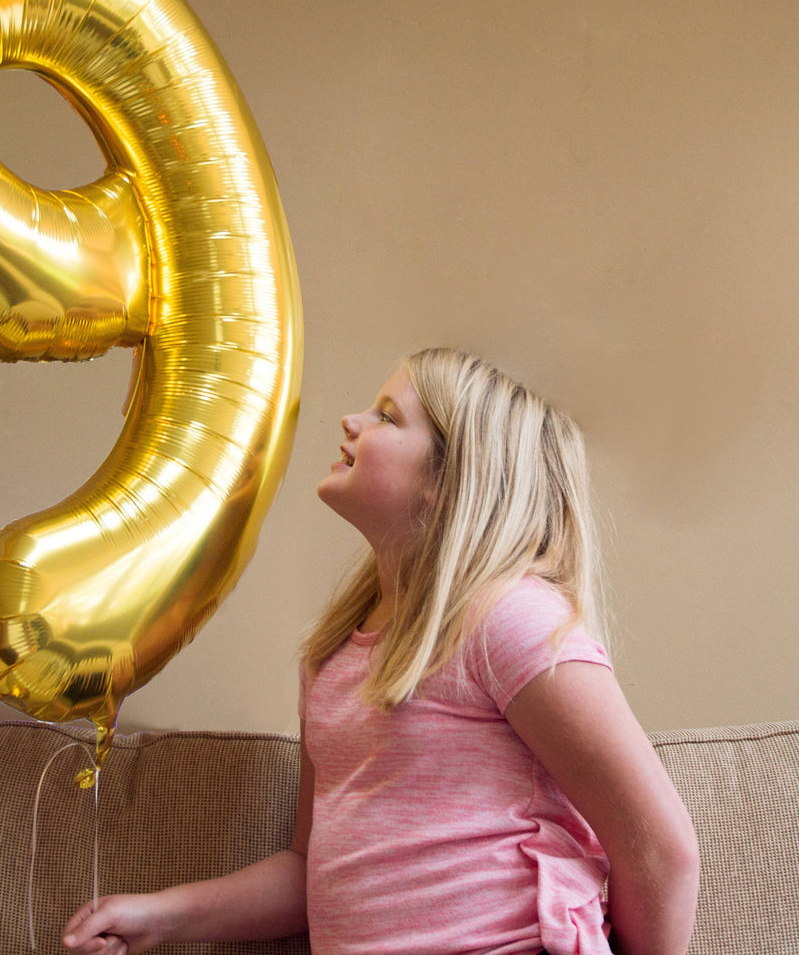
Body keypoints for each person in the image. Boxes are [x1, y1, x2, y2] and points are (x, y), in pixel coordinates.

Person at [62, 348, 700, 955]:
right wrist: (161, 916)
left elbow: (660, 849)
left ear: (447, 481)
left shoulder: (510, 619)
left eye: (387, 416)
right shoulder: (334, 655)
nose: (351, 420)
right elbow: (307, 872)